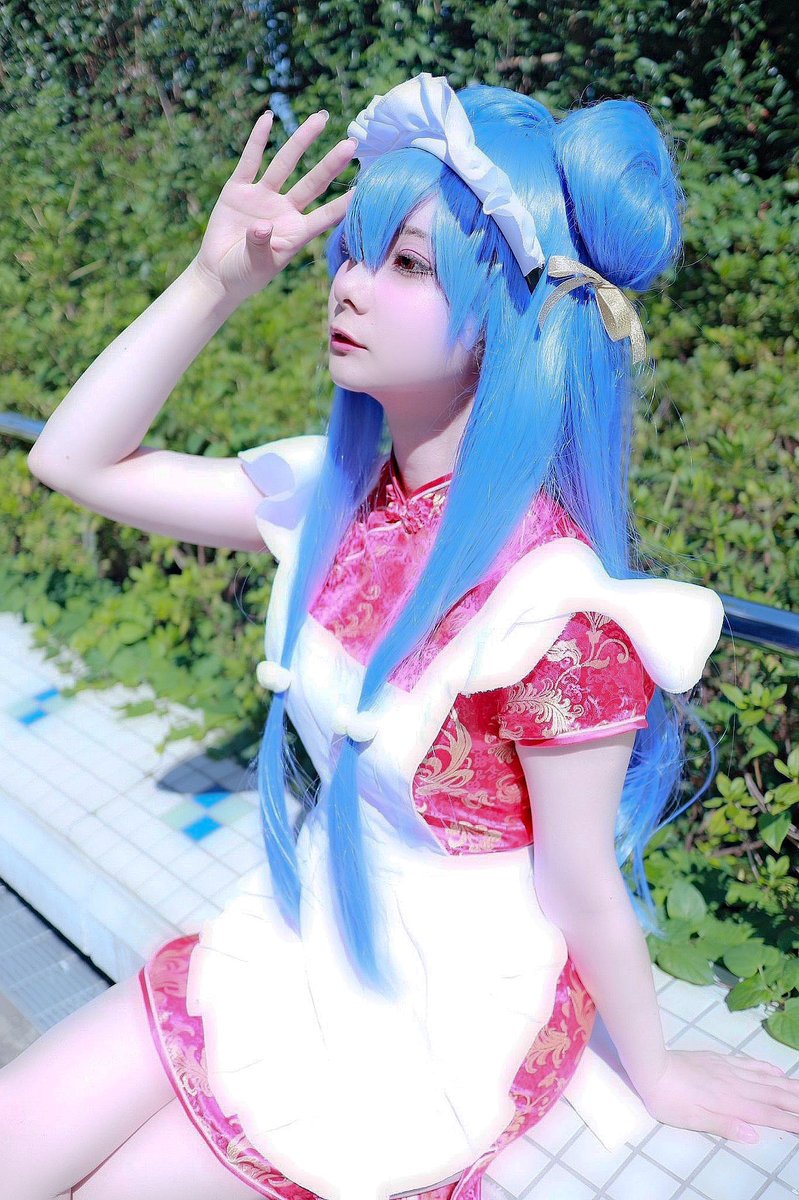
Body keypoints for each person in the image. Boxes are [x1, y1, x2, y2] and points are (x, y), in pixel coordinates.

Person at [7, 72, 799, 1200]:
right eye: (354, 252)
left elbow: (580, 879)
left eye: (408, 264)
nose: (349, 284)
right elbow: (71, 461)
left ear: (508, 316)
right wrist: (211, 284)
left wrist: (658, 1069)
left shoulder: (555, 611)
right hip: (308, 925)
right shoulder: (334, 499)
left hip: (443, 1003)